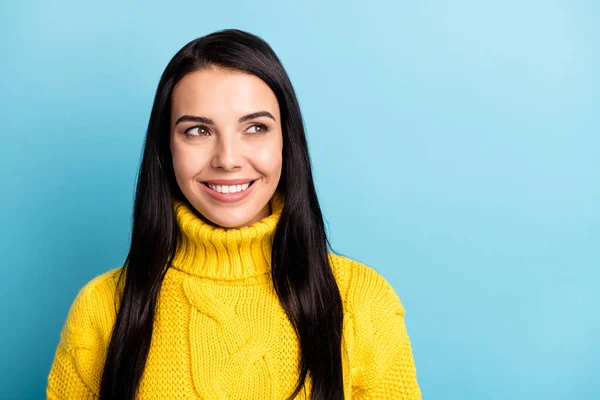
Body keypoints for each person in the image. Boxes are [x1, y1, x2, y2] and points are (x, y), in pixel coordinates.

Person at [46, 29, 422, 400]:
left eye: (255, 128)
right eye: (197, 130)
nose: (227, 159)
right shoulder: (101, 308)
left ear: (286, 143)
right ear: (167, 149)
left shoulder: (363, 301)